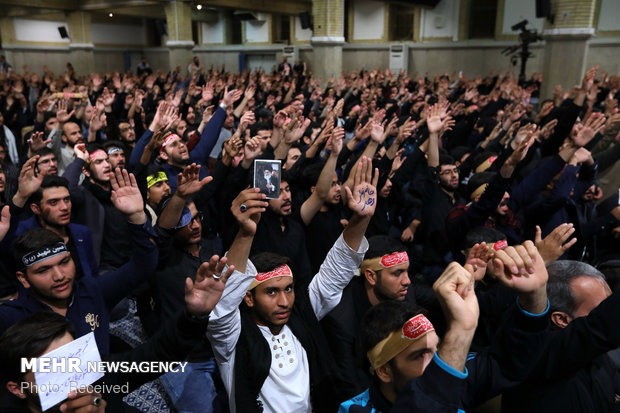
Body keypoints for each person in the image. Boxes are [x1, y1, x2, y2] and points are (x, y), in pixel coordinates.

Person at [208, 157, 378, 413]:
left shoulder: (300, 315)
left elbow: (336, 271)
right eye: (271, 292)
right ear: (249, 298)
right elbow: (223, 303)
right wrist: (245, 233)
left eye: (288, 289)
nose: (284, 301)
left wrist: (360, 220)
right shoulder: (232, 338)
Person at [0, 252, 234, 412]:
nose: (72, 377)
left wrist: (195, 316)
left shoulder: (99, 378)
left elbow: (159, 355)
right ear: (17, 389)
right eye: (52, 369)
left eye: (75, 360)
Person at [342, 241, 550, 412]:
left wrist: (534, 296)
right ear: (385, 370)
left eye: (437, 349)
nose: (438, 364)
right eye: (420, 355)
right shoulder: (355, 409)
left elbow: (509, 363)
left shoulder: (451, 366)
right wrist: (460, 331)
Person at [0, 168, 157, 355]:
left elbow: (143, 265)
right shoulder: (15, 317)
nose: (59, 276)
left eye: (64, 262)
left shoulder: (93, 291)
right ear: (23, 278)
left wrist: (137, 217)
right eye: (43, 270)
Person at [502, 260, 620, 413]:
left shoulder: (599, 358)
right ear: (562, 319)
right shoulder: (536, 355)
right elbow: (600, 328)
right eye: (600, 310)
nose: (608, 313)